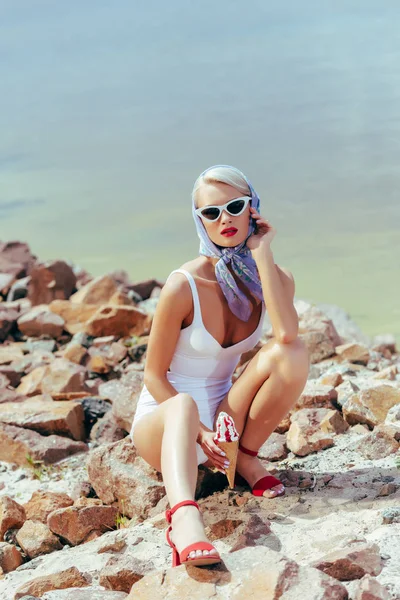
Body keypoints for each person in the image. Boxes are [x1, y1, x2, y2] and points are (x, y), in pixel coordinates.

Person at [130, 165, 309, 568]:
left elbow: (285, 336)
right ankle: (184, 520)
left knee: (292, 353)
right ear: (200, 222)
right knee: (184, 406)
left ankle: (244, 456)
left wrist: (262, 254)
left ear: (254, 209)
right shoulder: (183, 285)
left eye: (234, 206)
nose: (224, 218)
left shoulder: (274, 278)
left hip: (226, 419)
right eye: (211, 213)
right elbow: (152, 377)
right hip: (167, 422)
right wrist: (200, 431)